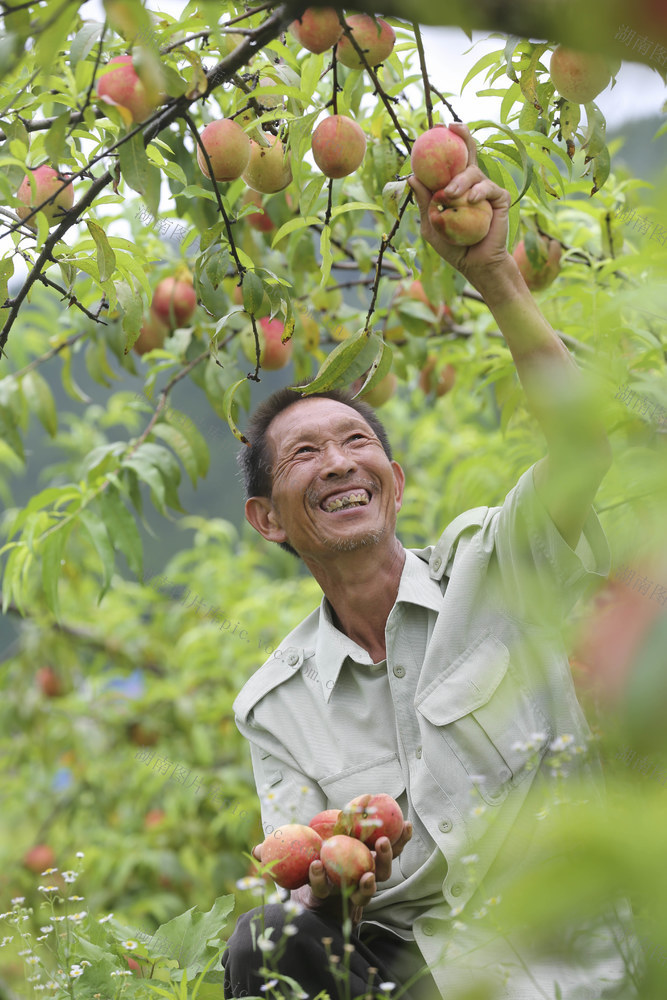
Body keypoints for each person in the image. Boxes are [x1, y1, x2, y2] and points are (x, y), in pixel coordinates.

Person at [222, 124, 634, 1000]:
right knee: (267, 940)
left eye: (355, 442)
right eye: (303, 456)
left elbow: (578, 445)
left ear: (394, 482)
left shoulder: (499, 560)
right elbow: (302, 875)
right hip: (416, 976)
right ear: (266, 519)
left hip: (565, 959)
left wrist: (496, 278)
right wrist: (338, 884)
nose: (337, 463)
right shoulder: (276, 704)